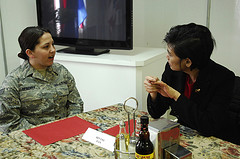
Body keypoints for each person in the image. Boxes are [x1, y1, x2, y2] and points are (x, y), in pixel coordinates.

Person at [144, 23, 240, 145]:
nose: (167, 56)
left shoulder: (223, 78)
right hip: (184, 136)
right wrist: (154, 93)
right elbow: (156, 112)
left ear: (188, 62)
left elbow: (208, 126)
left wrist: (176, 96)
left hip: (214, 140)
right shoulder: (173, 70)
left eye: (171, 54)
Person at [0, 26, 84, 133]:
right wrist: (41, 133)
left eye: (52, 44)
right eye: (46, 47)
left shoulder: (61, 71)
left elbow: (76, 103)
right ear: (30, 53)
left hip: (66, 132)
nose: (53, 50)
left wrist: (70, 125)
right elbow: (9, 121)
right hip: (33, 139)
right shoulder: (14, 81)